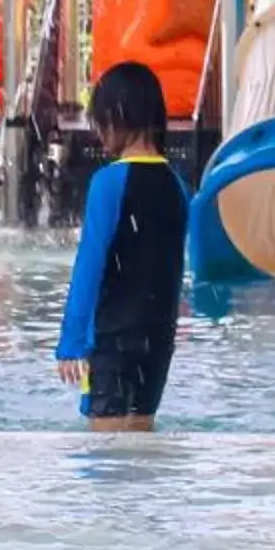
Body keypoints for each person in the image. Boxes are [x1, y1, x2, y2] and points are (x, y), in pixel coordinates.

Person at [54, 62, 189, 433]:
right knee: (141, 446)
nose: (98, 133)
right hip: (158, 341)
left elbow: (90, 264)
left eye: (99, 122)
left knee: (106, 457)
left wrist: (72, 342)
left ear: (116, 117)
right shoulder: (177, 186)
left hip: (113, 340)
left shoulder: (109, 182)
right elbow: (175, 269)